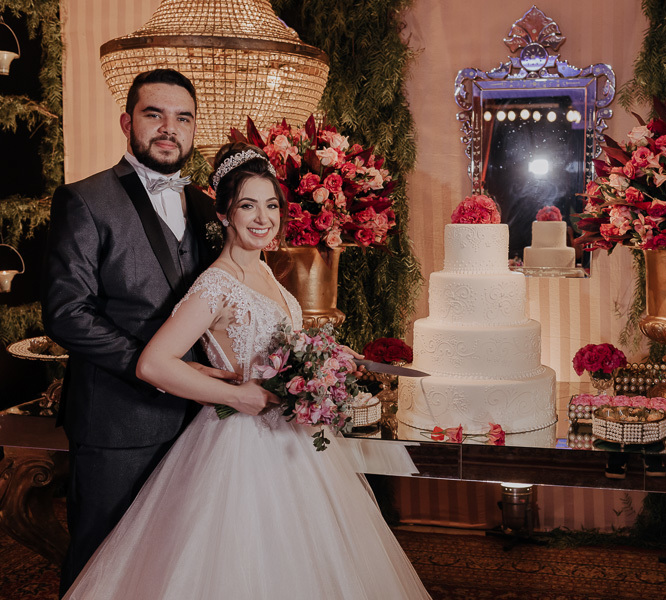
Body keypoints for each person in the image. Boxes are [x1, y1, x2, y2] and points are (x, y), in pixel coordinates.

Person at [60, 142, 432, 599]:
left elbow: (278, 344)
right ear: (224, 215)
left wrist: (327, 358)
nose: (263, 218)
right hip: (240, 445)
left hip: (294, 442)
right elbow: (153, 363)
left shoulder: (266, 273)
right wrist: (238, 396)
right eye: (248, 206)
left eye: (271, 205)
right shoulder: (216, 282)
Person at [41, 69, 238, 595]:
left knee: (175, 563)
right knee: (100, 561)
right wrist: (156, 369)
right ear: (127, 122)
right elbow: (66, 311)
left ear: (195, 131)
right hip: (115, 420)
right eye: (155, 115)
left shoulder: (206, 206)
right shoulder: (85, 200)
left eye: (183, 118)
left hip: (198, 425)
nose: (169, 128)